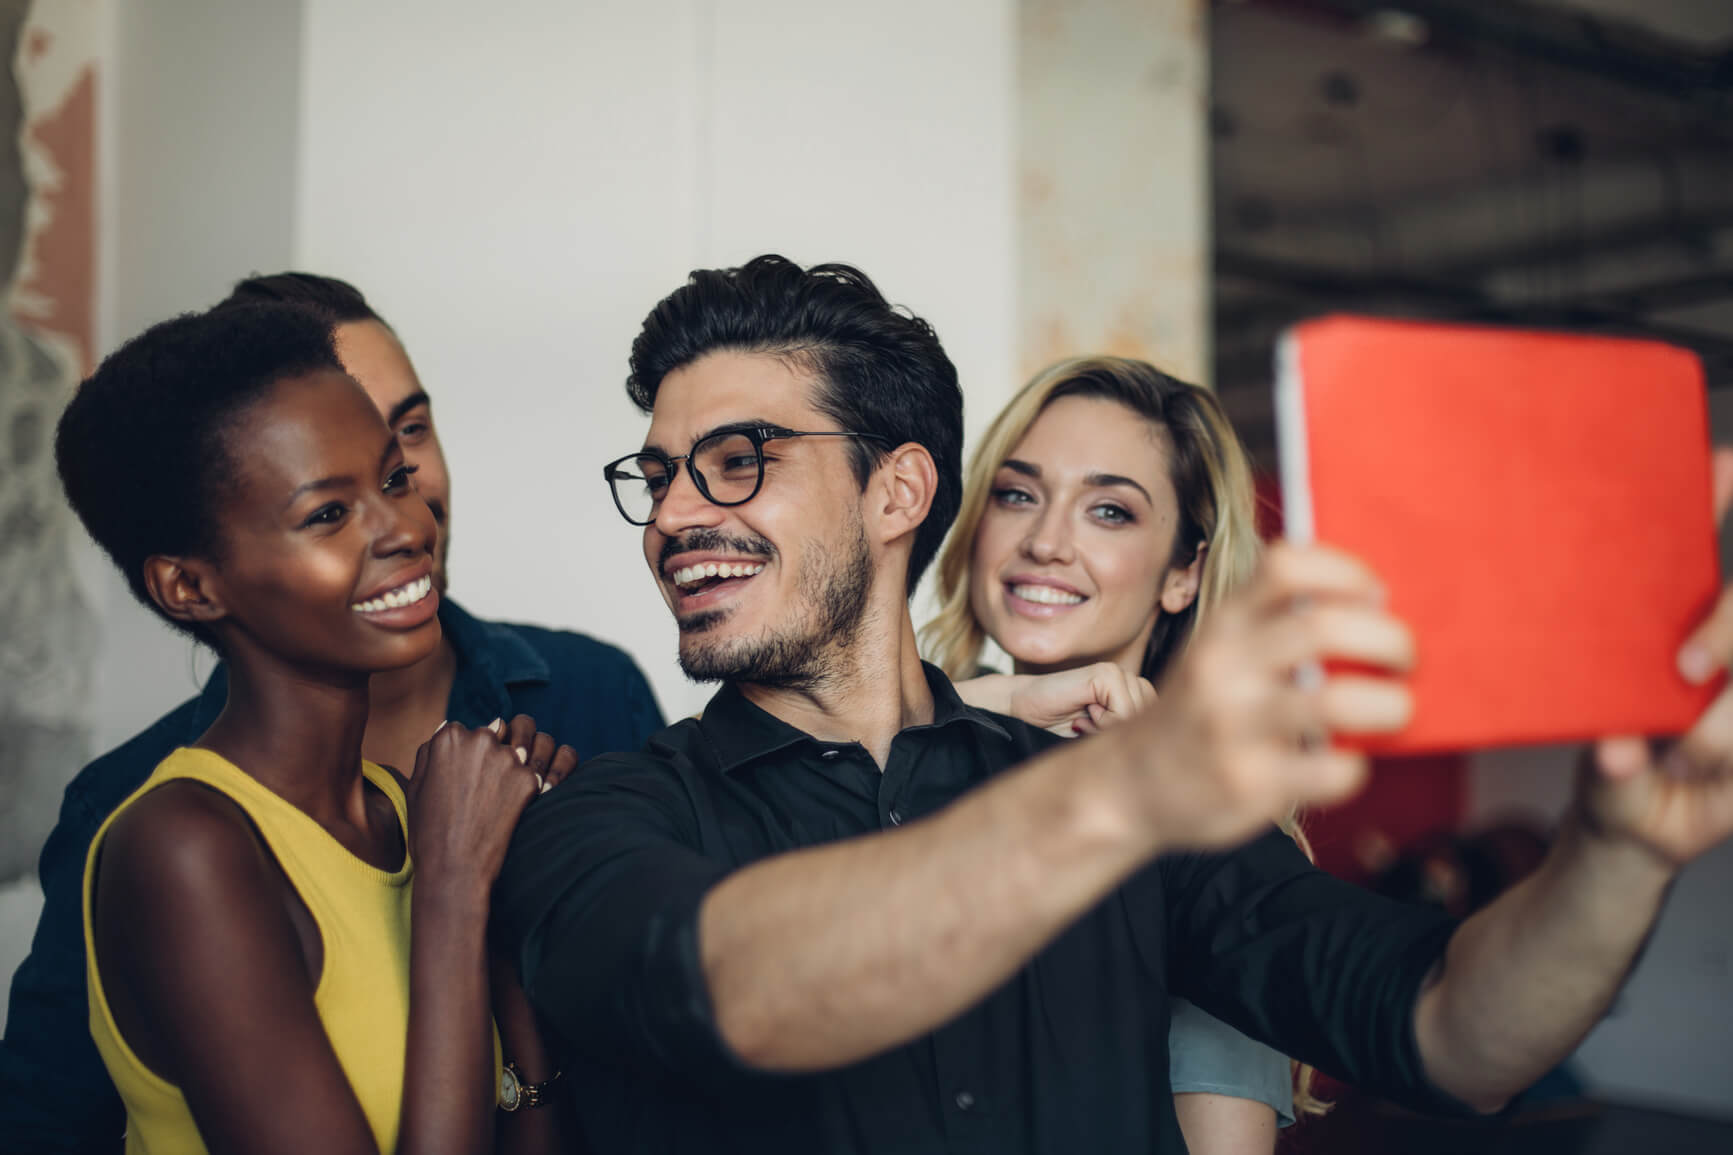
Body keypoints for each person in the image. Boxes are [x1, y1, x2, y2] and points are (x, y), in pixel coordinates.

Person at [497, 253, 1733, 1155]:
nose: (670, 516)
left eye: (736, 462)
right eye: (657, 476)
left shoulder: (1136, 810)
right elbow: (744, 989)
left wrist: (1617, 854)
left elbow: (1455, 1033)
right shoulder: (598, 822)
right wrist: (1126, 791)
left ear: (898, 492)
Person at [0, 273, 664, 1152]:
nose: (406, 523)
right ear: (189, 585)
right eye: (328, 512)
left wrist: (503, 926)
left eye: (395, 474)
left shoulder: (398, 805)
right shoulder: (179, 844)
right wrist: (455, 892)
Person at [923, 355, 1320, 1151]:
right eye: (1017, 494)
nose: (1043, 541)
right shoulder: (900, 755)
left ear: (1183, 572)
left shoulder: (1201, 838)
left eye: (1108, 511)